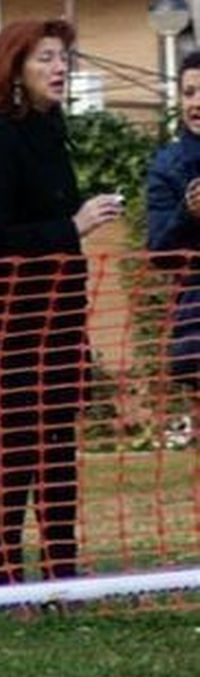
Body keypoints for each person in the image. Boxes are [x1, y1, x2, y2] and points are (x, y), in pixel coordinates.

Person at [0, 18, 122, 585]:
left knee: (58, 449)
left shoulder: (51, 133)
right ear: (14, 69)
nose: (59, 67)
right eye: (44, 58)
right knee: (18, 449)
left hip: (56, 323)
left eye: (63, 56)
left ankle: (62, 567)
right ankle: (4, 572)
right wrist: (72, 226)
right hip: (3, 329)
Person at [146, 48, 200, 440]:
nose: (196, 103)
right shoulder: (169, 165)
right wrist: (188, 212)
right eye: (189, 92)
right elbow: (158, 252)